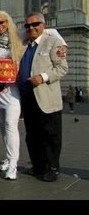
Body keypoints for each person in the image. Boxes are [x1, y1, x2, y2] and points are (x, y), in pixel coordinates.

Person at [17, 12, 68, 182]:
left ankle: (52, 168)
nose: (31, 28)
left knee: (51, 135)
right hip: (27, 96)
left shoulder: (53, 41)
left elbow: (62, 68)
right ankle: (37, 166)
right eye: (27, 25)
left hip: (46, 97)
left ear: (44, 25)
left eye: (35, 24)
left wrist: (43, 77)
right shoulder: (24, 44)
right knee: (32, 135)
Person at [0, 10, 24, 180]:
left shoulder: (20, 38)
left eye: (2, 22)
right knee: (3, 128)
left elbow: (47, 34)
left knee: (10, 126)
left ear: (8, 22)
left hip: (13, 91)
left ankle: (14, 165)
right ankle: (9, 159)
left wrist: (61, 48)